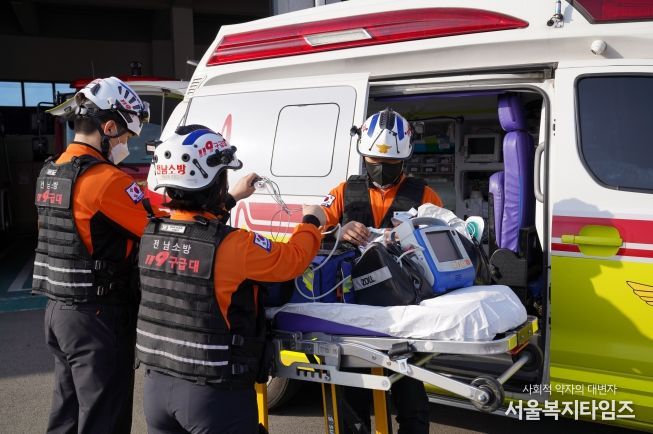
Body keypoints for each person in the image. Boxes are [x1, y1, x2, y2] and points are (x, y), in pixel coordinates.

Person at [137, 125, 325, 434]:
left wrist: (232, 198)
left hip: (157, 388)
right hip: (213, 395)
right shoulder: (235, 245)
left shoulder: (149, 234)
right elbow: (292, 260)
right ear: (215, 181)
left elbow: (195, 229)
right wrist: (311, 222)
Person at [32, 76, 151, 434]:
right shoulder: (107, 180)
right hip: (97, 317)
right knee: (104, 420)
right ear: (109, 127)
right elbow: (155, 231)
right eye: (126, 136)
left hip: (58, 311)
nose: (127, 143)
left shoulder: (50, 171)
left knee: (66, 416)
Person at [320, 108, 443, 434]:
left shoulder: (425, 196)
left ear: (404, 160)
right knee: (353, 395)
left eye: (390, 163)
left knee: (411, 396)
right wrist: (338, 231)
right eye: (375, 161)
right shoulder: (343, 192)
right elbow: (311, 231)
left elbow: (442, 244)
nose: (381, 168)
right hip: (353, 308)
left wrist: (408, 238)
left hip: (404, 310)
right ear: (363, 155)